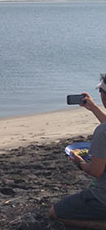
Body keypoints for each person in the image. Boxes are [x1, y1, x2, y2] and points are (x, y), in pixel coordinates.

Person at [49, 75, 106, 228]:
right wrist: (93, 108)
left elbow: (96, 171)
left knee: (54, 213)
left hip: (102, 199)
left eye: (101, 90)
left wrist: (79, 162)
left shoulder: (102, 133)